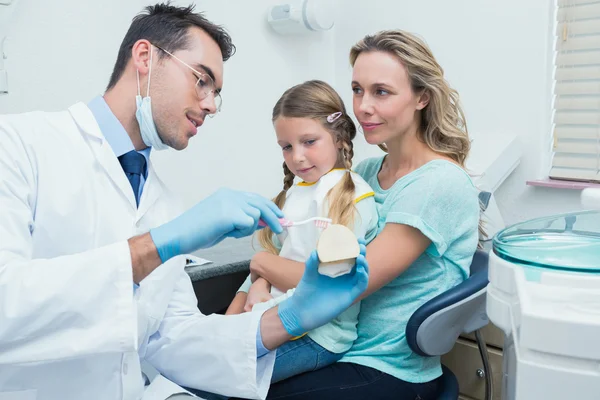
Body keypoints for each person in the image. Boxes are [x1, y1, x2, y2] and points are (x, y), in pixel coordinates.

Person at [0, 4, 369, 400]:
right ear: (145, 57)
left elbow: (175, 338)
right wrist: (158, 244)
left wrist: (292, 318)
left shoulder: (162, 203)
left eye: (216, 94)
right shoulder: (17, 146)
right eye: (201, 80)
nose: (210, 105)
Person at [249, 30, 481, 400]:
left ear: (422, 97)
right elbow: (298, 246)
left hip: (384, 368)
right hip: (331, 348)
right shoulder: (368, 173)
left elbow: (343, 284)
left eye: (381, 92)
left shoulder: (440, 183)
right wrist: (259, 282)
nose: (363, 107)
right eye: (357, 90)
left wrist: (261, 263)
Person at [225, 80, 378, 384]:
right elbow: (273, 257)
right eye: (287, 147)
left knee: (221, 379)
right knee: (204, 363)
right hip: (271, 316)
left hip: (320, 336)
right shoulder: (295, 193)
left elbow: (327, 286)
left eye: (309, 142)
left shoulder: (352, 199)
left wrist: (263, 269)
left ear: (338, 137)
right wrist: (237, 312)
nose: (297, 157)